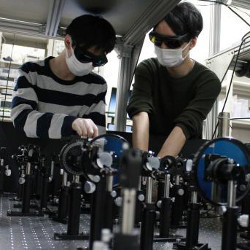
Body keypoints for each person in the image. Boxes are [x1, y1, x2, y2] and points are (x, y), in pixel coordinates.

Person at [127, 2, 221, 158]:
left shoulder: (207, 82)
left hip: (183, 155)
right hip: (146, 146)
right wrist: (142, 163)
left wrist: (158, 168)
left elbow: (186, 125)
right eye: (157, 40)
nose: (163, 48)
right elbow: (140, 113)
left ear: (192, 43)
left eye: (172, 43)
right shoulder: (148, 69)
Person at [11, 15, 116, 139]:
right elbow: (22, 119)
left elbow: (97, 138)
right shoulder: (30, 73)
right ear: (68, 42)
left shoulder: (97, 85)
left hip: (72, 156)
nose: (90, 65)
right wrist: (70, 123)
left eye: (97, 61)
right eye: (85, 57)